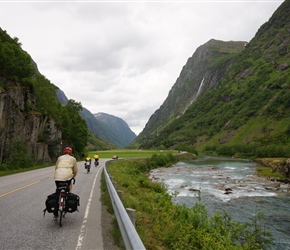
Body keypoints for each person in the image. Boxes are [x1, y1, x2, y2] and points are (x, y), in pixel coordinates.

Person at [53, 147, 78, 220]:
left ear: (64, 152)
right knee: (69, 185)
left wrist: (57, 173)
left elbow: (56, 167)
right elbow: (75, 170)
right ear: (71, 153)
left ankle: (55, 213)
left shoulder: (60, 158)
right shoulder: (73, 159)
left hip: (58, 176)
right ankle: (68, 195)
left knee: (58, 190)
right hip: (67, 176)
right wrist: (73, 176)